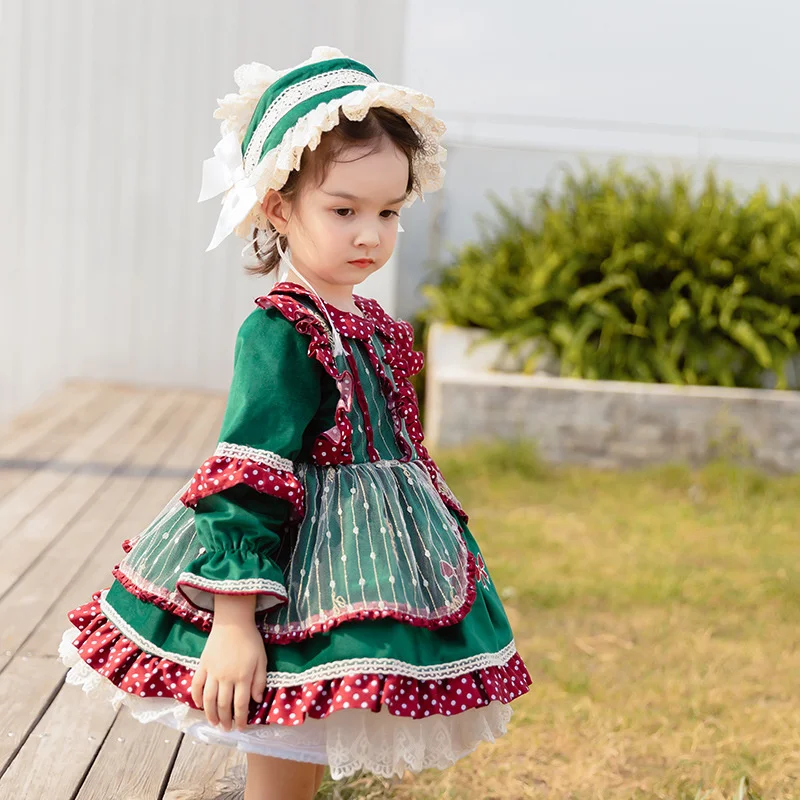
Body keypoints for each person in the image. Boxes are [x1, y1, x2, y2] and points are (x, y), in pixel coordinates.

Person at [57, 45, 532, 800]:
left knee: (306, 744)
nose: (370, 235)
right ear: (279, 207)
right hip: (295, 576)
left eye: (388, 212)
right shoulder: (282, 330)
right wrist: (234, 624)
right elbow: (249, 471)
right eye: (343, 210)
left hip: (365, 570)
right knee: (282, 755)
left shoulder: (372, 322)